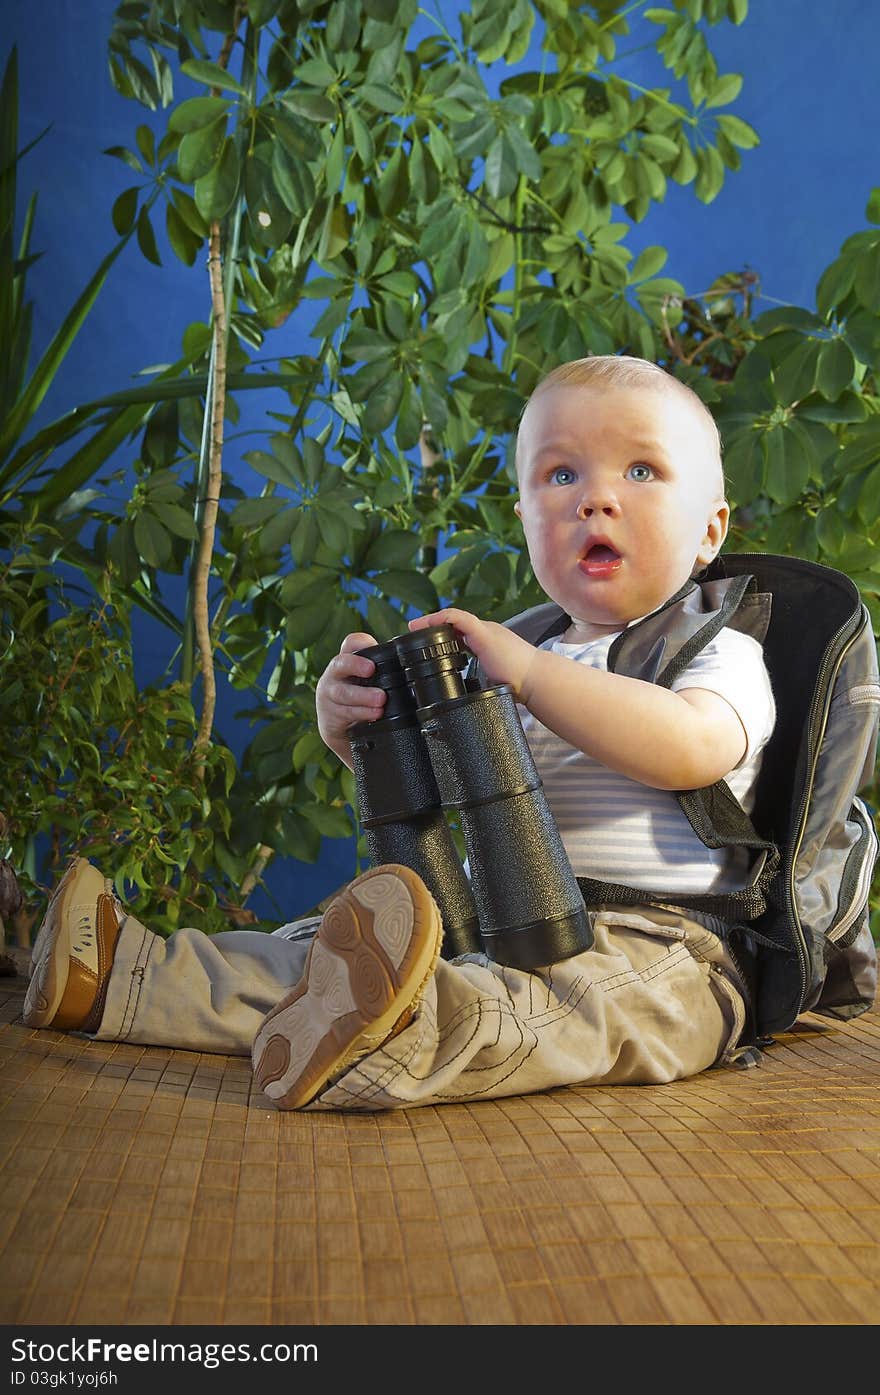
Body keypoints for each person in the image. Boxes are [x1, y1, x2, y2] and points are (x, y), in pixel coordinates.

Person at [22, 354, 776, 1113]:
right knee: (321, 956)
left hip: (662, 947)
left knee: (560, 1008)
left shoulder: (716, 650)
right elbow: (447, 794)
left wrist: (535, 680)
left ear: (711, 529)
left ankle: (394, 1034)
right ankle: (123, 976)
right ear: (523, 516)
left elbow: (690, 748)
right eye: (561, 475)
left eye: (641, 471)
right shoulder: (519, 653)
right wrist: (358, 732)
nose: (597, 499)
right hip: (496, 924)